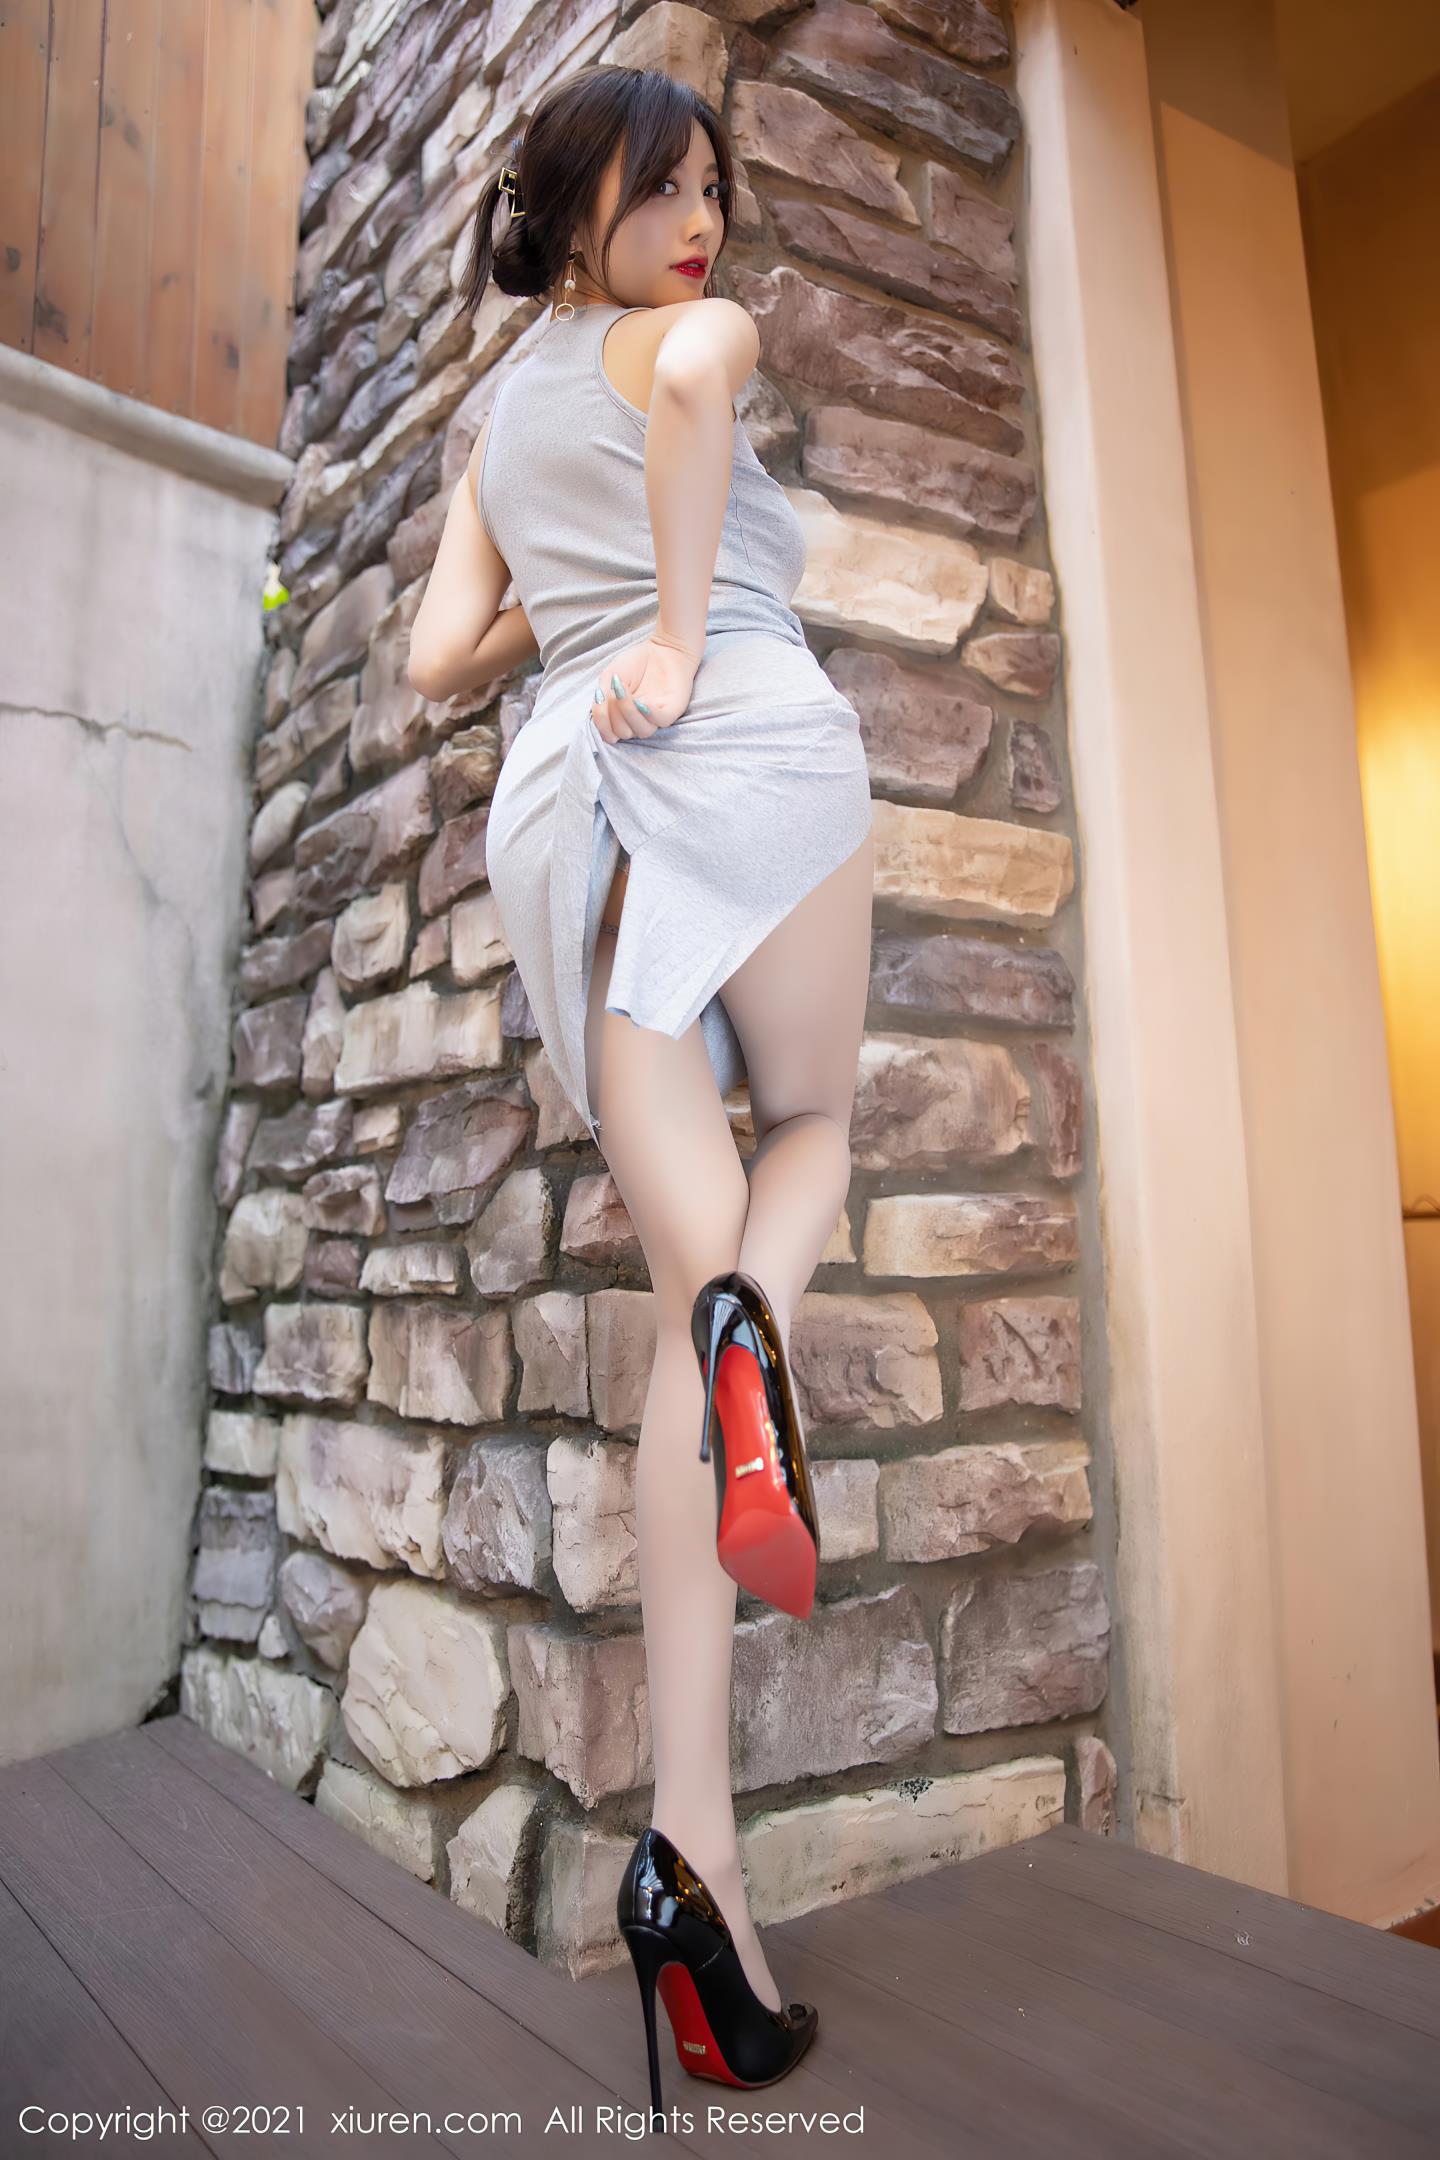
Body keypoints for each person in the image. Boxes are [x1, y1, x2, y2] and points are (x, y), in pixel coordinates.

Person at [408, 63, 874, 2115]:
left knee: (681, 1335)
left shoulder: (488, 426)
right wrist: (674, 630)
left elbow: (436, 658)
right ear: (576, 200)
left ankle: (695, 1870)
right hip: (738, 735)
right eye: (664, 186)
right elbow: (690, 388)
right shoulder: (703, 333)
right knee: (820, 1132)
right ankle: (764, 1321)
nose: (702, 222)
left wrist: (567, 596)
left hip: (569, 810)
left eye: (713, 189)